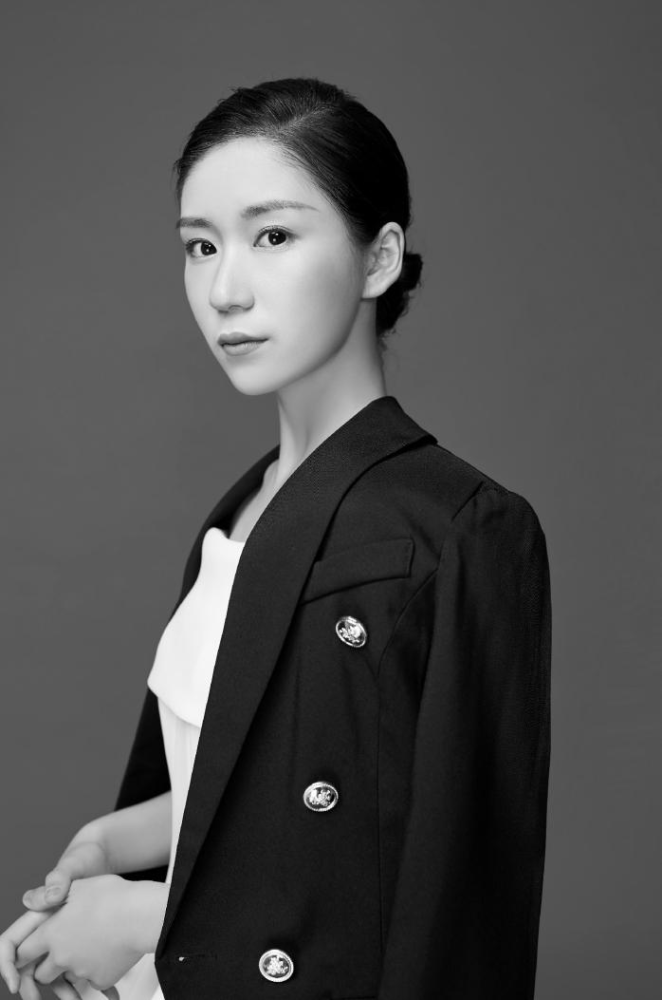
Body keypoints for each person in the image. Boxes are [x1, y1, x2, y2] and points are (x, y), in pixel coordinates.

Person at [0, 77, 552, 1000]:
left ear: (378, 259)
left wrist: (155, 919)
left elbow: (453, 901)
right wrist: (118, 841)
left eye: (273, 237)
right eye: (201, 246)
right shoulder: (234, 517)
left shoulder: (461, 529)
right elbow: (251, 784)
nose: (225, 290)